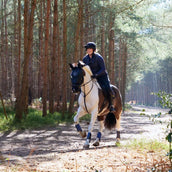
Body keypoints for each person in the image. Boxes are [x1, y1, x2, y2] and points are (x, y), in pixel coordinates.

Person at [83, 42, 115, 112]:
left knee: (107, 88)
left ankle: (111, 105)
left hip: (102, 76)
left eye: (90, 49)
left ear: (93, 50)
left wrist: (96, 74)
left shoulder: (99, 57)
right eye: (87, 49)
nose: (88, 50)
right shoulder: (85, 59)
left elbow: (103, 69)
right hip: (91, 77)